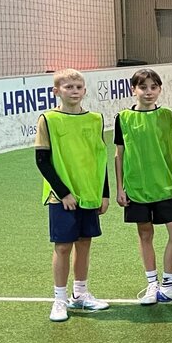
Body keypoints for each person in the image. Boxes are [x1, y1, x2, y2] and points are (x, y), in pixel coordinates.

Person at [114, 69, 172, 305]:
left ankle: (169, 285)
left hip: (164, 186)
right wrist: (120, 188)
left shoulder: (165, 115)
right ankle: (152, 285)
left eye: (154, 87)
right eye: (143, 87)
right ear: (134, 90)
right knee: (145, 233)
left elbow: (169, 151)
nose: (149, 92)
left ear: (160, 89)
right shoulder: (123, 118)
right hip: (137, 187)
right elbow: (119, 155)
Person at [35, 69, 110, 322]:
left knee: (84, 243)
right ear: (56, 91)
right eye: (68, 87)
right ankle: (59, 300)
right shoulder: (48, 119)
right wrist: (64, 192)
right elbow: (42, 161)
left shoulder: (96, 119)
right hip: (62, 197)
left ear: (85, 91)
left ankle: (80, 294)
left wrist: (104, 193)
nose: (74, 91)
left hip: (89, 193)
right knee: (63, 246)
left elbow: (101, 158)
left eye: (78, 87)